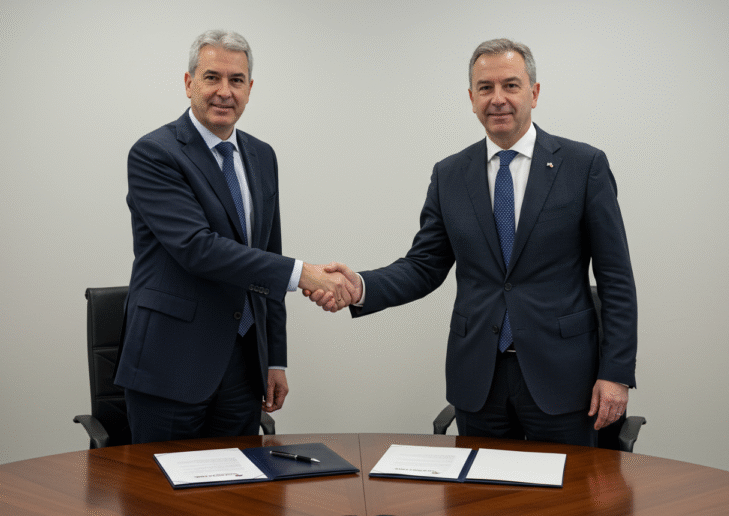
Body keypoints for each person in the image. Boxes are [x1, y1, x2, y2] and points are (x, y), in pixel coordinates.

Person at [309, 39, 637, 447]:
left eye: (511, 86)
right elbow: (424, 265)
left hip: (564, 379)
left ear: (534, 93)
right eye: (485, 88)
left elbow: (616, 278)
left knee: (564, 504)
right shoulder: (450, 174)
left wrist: (617, 373)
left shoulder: (583, 166)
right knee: (481, 501)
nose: (497, 99)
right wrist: (361, 286)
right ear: (471, 98)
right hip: (479, 380)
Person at [114, 30, 356, 443]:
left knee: (239, 496)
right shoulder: (155, 153)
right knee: (162, 500)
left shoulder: (262, 156)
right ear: (189, 83)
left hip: (244, 365)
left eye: (236, 80)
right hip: (171, 364)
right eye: (212, 78)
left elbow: (268, 256)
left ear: (249, 89)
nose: (224, 92)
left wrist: (274, 358)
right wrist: (307, 276)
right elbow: (198, 249)